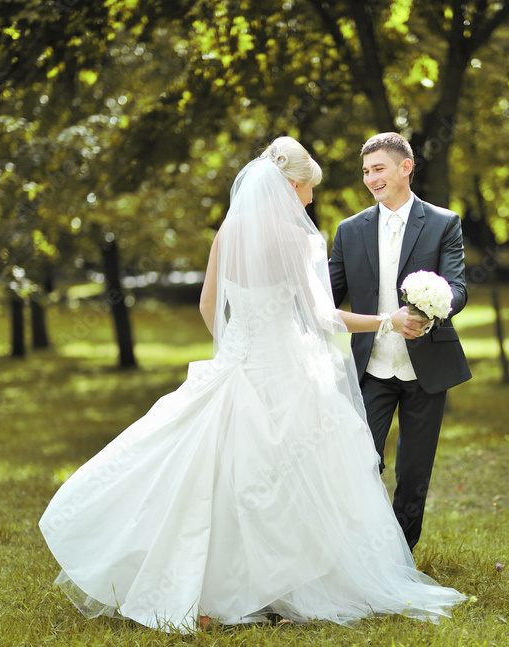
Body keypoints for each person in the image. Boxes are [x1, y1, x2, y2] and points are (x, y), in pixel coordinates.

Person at [38, 136, 465, 634]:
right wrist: (387, 320)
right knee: (296, 475)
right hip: (286, 372)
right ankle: (290, 583)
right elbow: (324, 317)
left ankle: (214, 584)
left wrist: (235, 345)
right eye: (307, 190)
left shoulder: (229, 231)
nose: (309, 201)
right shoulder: (300, 239)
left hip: (235, 365)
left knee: (217, 475)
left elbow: (206, 305)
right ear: (290, 185)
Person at [329, 132, 471, 551]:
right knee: (362, 463)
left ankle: (400, 557)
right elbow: (324, 300)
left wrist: (431, 312)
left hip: (425, 369)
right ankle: (363, 554)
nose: (371, 179)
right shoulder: (350, 230)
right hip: (370, 368)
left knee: (413, 473)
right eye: (366, 172)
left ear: (405, 167)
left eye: (379, 169)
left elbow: (458, 288)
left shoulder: (444, 223)